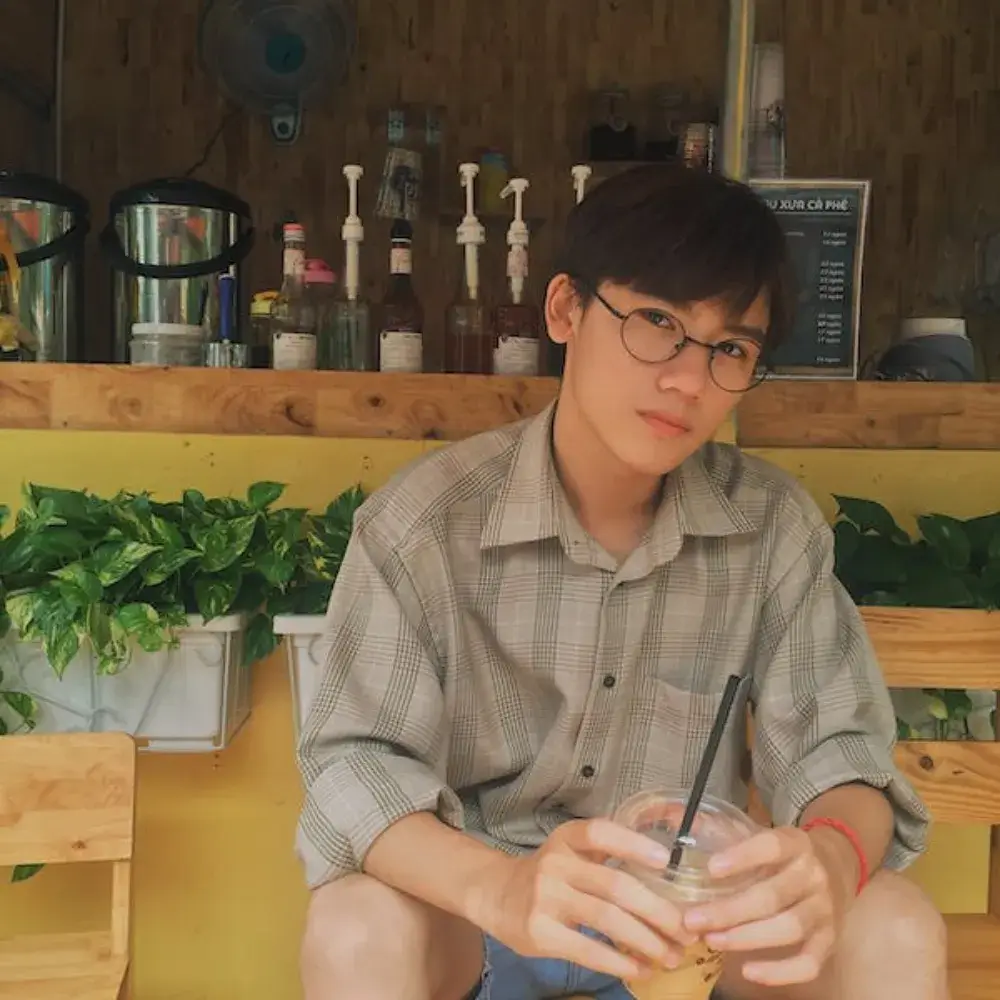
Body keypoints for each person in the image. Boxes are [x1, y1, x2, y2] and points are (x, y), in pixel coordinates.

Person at [295, 164, 946, 1000]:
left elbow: (840, 756)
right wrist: (502, 889)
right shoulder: (423, 524)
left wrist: (826, 855)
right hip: (482, 920)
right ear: (566, 309)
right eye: (657, 323)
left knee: (892, 927)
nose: (688, 379)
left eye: (731, 349)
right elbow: (355, 766)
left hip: (689, 925)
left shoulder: (772, 529)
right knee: (355, 927)